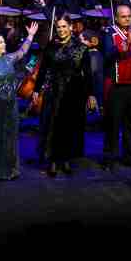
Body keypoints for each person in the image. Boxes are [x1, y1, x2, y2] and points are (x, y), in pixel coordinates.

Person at [31, 9, 98, 176]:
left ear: (71, 27)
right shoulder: (51, 47)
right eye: (58, 27)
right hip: (54, 91)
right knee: (53, 126)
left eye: (64, 26)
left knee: (69, 127)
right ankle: (53, 161)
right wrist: (36, 90)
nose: (61, 30)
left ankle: (66, 160)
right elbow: (43, 70)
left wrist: (90, 94)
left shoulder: (81, 48)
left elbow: (88, 73)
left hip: (74, 92)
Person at [0, 22, 39, 180]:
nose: (4, 44)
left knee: (10, 138)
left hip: (11, 106)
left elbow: (22, 51)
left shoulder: (9, 58)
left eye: (3, 41)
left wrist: (30, 36)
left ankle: (8, 170)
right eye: (1, 42)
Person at [101, 4, 131, 170]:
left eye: (129, 16)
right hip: (117, 84)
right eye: (124, 16)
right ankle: (109, 157)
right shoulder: (109, 32)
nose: (127, 19)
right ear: (117, 18)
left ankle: (130, 155)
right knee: (113, 123)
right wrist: (126, 42)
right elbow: (107, 54)